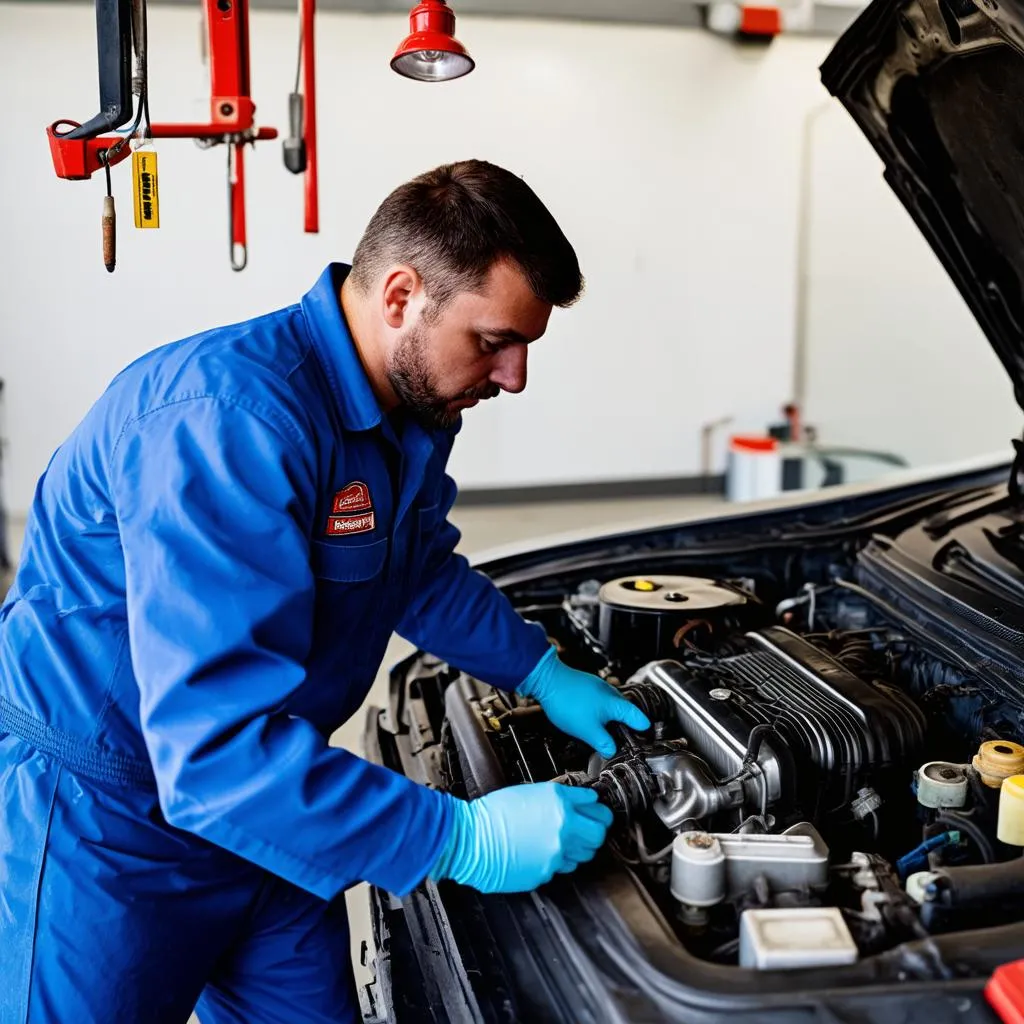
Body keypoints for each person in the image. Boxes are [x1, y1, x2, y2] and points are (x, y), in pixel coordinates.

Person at [0, 159, 649, 1024]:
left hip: (276, 804)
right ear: (401, 296)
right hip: (112, 826)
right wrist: (460, 838)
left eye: (526, 344)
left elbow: (409, 566)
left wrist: (541, 672)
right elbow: (212, 751)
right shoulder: (226, 421)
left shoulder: (409, 411)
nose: (515, 375)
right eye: (493, 340)